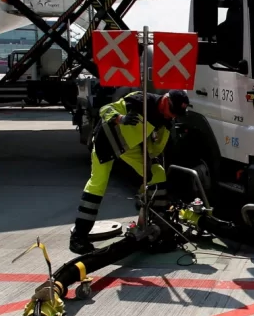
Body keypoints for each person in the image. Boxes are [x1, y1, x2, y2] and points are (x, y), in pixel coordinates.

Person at [71, 89, 192, 253]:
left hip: (130, 147)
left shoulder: (166, 121)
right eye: (173, 112)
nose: (173, 117)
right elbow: (104, 110)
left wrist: (151, 161)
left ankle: (159, 226)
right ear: (165, 101)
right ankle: (78, 237)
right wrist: (121, 119)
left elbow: (156, 148)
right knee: (98, 185)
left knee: (157, 173)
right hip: (108, 142)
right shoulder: (140, 100)